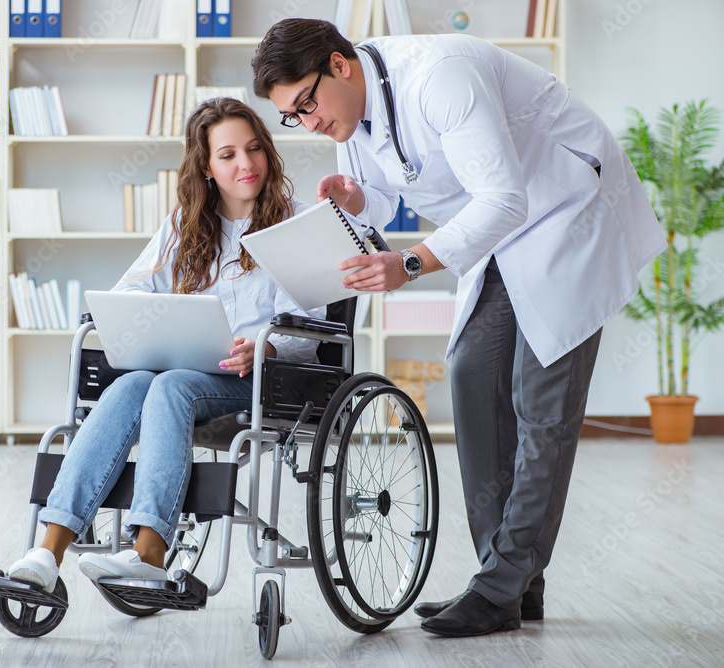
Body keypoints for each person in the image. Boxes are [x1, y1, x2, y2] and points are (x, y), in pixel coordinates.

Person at [252, 19, 666, 638]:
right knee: (472, 374)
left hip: (566, 207)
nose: (307, 124)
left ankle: (500, 586)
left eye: (306, 105)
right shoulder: (348, 109)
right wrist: (357, 198)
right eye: (291, 116)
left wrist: (410, 263)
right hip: (501, 229)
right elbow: (396, 192)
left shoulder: (439, 76)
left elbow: (504, 200)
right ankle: (512, 581)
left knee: (542, 404)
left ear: (339, 65)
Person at [7, 97, 325, 592]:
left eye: (255, 148)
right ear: (205, 167)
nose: (246, 164)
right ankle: (47, 553)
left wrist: (266, 348)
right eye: (228, 155)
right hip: (183, 376)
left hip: (261, 381)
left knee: (170, 386)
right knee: (134, 384)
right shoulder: (185, 225)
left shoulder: (296, 224)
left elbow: (308, 327)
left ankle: (150, 553)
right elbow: (131, 291)